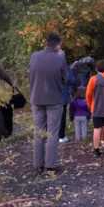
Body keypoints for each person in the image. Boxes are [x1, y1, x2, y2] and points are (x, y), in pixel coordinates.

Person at [29, 32, 68, 175]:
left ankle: (37, 164)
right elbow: (66, 78)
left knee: (38, 132)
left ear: (46, 43)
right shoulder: (60, 57)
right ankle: (50, 165)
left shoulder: (34, 56)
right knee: (52, 133)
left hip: (36, 98)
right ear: (58, 44)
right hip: (54, 99)